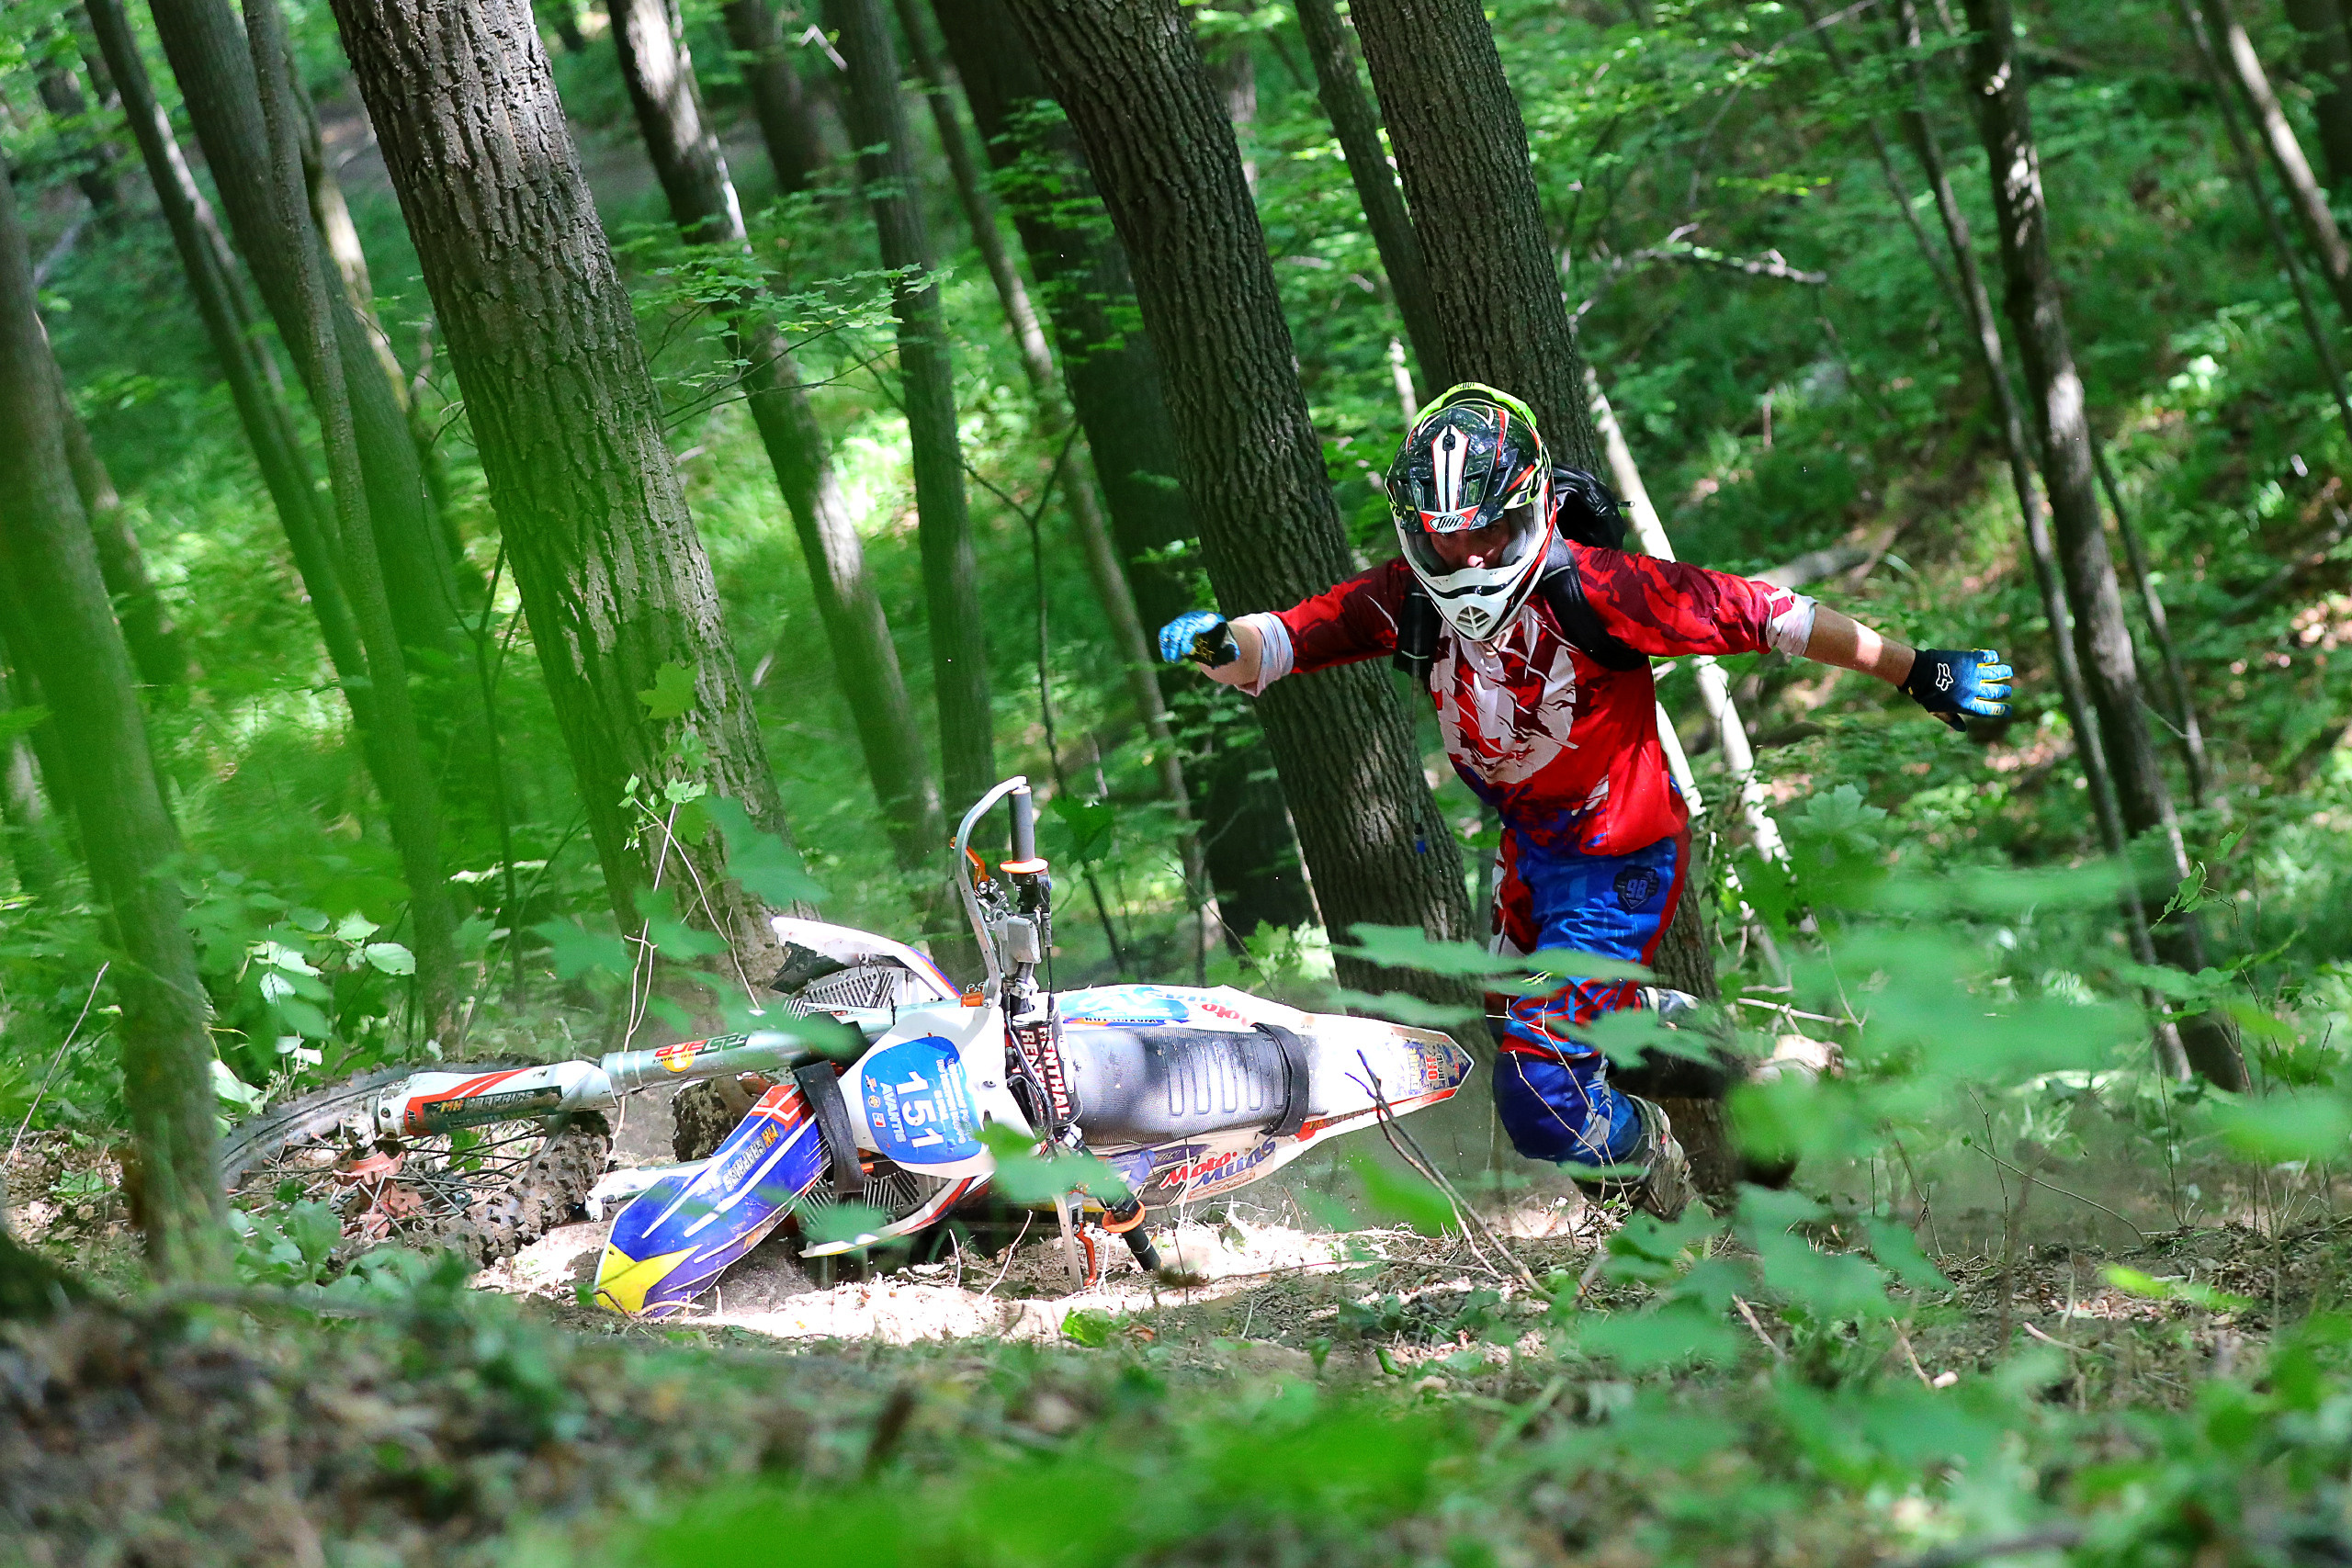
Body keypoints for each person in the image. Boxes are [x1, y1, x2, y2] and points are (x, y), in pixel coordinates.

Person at [1157, 384, 2013, 1217]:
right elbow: (1282, 638)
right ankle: (1767, 1080)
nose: (1473, 556)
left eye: (1490, 529)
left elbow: (1769, 613)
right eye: (1448, 538)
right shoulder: (1405, 599)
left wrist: (1916, 667)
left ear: (1527, 508)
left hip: (1620, 854)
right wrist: (1214, 640)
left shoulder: (1602, 588)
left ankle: (1668, 1227)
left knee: (1540, 1081)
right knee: (1533, 1027)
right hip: (1531, 857)